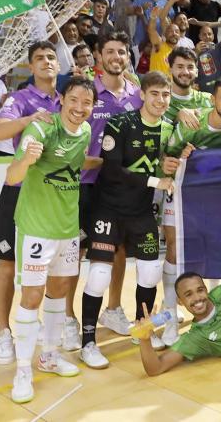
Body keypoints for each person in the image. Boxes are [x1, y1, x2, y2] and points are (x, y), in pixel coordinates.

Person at [6, 76, 97, 403]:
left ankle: (49, 355)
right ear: (62, 99)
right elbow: (11, 175)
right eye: (74, 100)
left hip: (67, 229)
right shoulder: (42, 129)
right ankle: (23, 371)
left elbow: (76, 164)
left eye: (86, 103)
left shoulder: (85, 131)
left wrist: (105, 164)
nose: (79, 108)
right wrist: (27, 159)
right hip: (36, 228)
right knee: (32, 297)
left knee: (59, 294)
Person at [80, 71, 177, 366]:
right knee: (99, 276)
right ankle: (87, 343)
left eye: (166, 95)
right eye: (155, 94)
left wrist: (173, 161)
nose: (160, 100)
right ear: (143, 95)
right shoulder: (120, 123)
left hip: (141, 211)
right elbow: (110, 170)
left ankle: (141, 328)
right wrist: (154, 181)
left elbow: (170, 160)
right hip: (108, 209)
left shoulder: (170, 128)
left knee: (150, 273)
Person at [160, 76, 221, 345]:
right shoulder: (192, 123)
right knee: (173, 251)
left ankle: (216, 312)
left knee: (215, 250)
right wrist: (179, 159)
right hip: (181, 193)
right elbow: (164, 156)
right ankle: (169, 315)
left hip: (214, 198)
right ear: (212, 100)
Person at [0, 41, 61, 365]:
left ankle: (37, 320)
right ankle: (3, 332)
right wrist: (30, 117)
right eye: (40, 58)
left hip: (54, 194)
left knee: (50, 265)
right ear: (30, 67)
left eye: (51, 57)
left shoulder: (68, 101)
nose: (46, 61)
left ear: (59, 65)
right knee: (8, 263)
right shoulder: (20, 99)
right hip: (19, 188)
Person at [77, 31, 143, 344]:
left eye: (122, 52)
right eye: (111, 52)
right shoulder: (87, 92)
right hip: (86, 182)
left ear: (128, 57)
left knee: (117, 249)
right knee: (75, 251)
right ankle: (67, 317)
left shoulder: (136, 94)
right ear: (99, 56)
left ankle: (113, 308)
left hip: (121, 186)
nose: (117, 57)